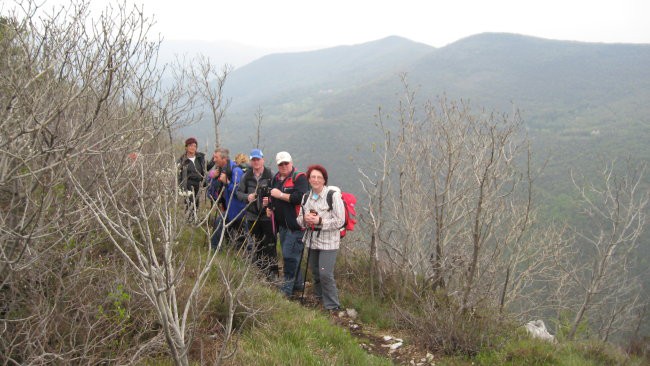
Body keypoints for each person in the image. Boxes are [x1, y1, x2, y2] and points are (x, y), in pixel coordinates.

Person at [296, 164, 344, 311]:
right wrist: (305, 219)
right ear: (309, 179)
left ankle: (332, 306)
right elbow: (298, 220)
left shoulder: (333, 196)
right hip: (312, 241)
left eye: (319, 177)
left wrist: (319, 221)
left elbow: (340, 220)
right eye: (313, 177)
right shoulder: (306, 197)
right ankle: (319, 299)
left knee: (325, 273)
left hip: (329, 242)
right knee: (316, 272)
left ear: (324, 180)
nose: (315, 180)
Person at [266, 151, 309, 298]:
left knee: (289, 257)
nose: (284, 166)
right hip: (283, 227)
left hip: (296, 227)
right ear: (278, 165)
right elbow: (273, 197)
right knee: (291, 256)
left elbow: (300, 197)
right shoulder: (276, 179)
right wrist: (269, 207)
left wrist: (281, 195)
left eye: (286, 163)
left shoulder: (300, 178)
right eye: (281, 164)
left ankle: (286, 291)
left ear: (291, 162)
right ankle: (297, 285)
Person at [236, 149, 279, 278]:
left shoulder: (270, 174)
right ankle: (260, 271)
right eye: (253, 160)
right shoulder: (247, 176)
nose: (256, 162)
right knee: (257, 244)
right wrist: (247, 197)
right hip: (252, 216)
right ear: (251, 161)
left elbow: (277, 192)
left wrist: (270, 200)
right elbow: (238, 193)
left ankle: (272, 272)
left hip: (267, 216)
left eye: (258, 159)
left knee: (270, 244)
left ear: (262, 160)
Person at [207, 148, 247, 251]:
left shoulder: (236, 171)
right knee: (228, 229)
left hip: (238, 209)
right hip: (229, 207)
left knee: (219, 224)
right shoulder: (221, 170)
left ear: (224, 159)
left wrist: (227, 182)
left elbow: (238, 191)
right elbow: (213, 190)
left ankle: (215, 250)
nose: (214, 160)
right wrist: (213, 178)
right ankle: (220, 250)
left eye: (216, 157)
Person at [177, 137, 206, 220]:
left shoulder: (200, 157)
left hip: (198, 184)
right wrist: (181, 188)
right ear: (186, 147)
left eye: (194, 146)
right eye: (190, 145)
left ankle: (194, 220)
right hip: (188, 185)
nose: (193, 147)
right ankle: (189, 221)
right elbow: (179, 175)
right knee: (189, 203)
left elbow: (205, 168)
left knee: (196, 203)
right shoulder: (182, 160)